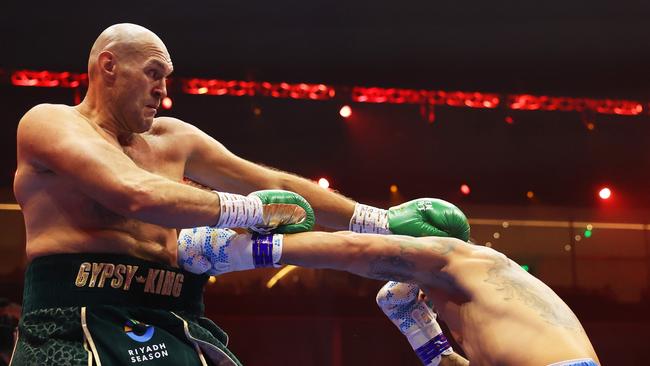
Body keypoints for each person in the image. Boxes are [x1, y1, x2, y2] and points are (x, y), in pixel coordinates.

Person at [12, 22, 464, 365]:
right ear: (108, 66)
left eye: (166, 77)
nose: (162, 89)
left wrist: (379, 220)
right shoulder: (51, 122)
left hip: (175, 316)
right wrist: (246, 210)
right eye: (152, 73)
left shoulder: (174, 138)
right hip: (74, 317)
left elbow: (279, 186)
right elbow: (133, 193)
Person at [178, 223, 601, 366]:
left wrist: (238, 252)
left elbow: (353, 250)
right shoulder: (493, 295)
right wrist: (435, 349)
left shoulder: (454, 257)